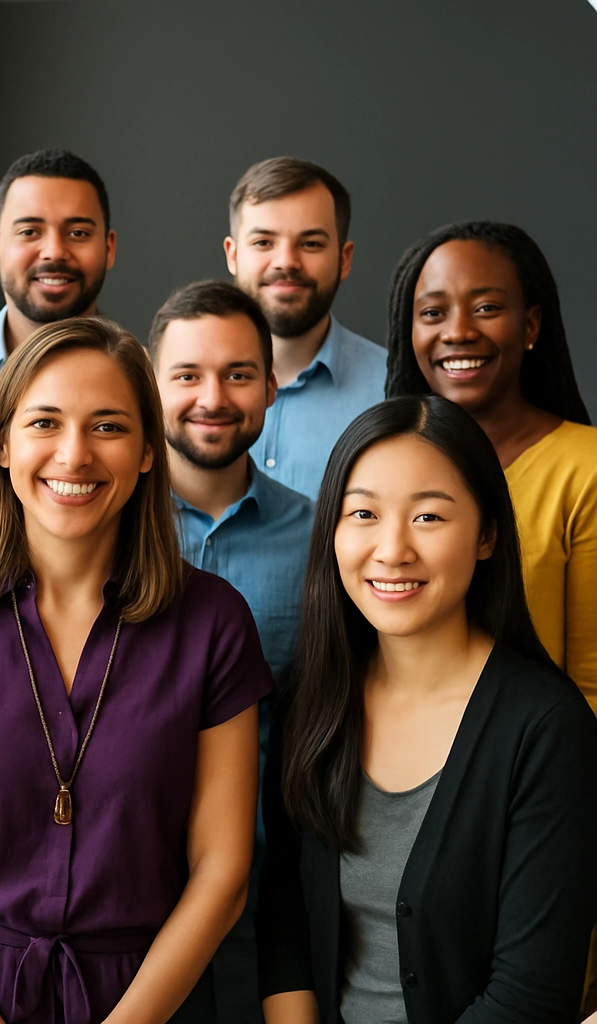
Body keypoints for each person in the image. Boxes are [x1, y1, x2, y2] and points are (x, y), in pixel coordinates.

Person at [0, 317, 270, 1024]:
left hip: (150, 1000)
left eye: (107, 427)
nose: (74, 455)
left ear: (146, 451)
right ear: (4, 446)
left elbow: (222, 874)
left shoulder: (214, 623)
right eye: (45, 422)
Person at [257, 395, 597, 1024]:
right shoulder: (312, 694)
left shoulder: (547, 728)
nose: (392, 550)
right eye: (363, 514)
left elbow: (531, 995)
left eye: (429, 518)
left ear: (487, 534)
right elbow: (286, 926)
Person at [149, 280, 313, 1024]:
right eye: (186, 375)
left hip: (268, 900)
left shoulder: (325, 543)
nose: (211, 397)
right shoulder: (96, 534)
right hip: (117, 894)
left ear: (272, 387)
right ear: (151, 388)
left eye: (238, 374)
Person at [385, 221, 597, 716]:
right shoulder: (384, 464)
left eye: (487, 308)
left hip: (540, 768)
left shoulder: (585, 468)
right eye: (433, 313)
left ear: (530, 326)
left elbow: (592, 683)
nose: (458, 331)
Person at [224, 156, 386, 499]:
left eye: (310, 243)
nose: (286, 262)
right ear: (232, 255)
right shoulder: (170, 390)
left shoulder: (394, 390)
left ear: (344, 259)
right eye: (264, 242)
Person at [0, 149, 116, 373]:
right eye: (29, 232)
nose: (54, 252)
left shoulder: (146, 380)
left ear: (109, 248)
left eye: (78, 233)